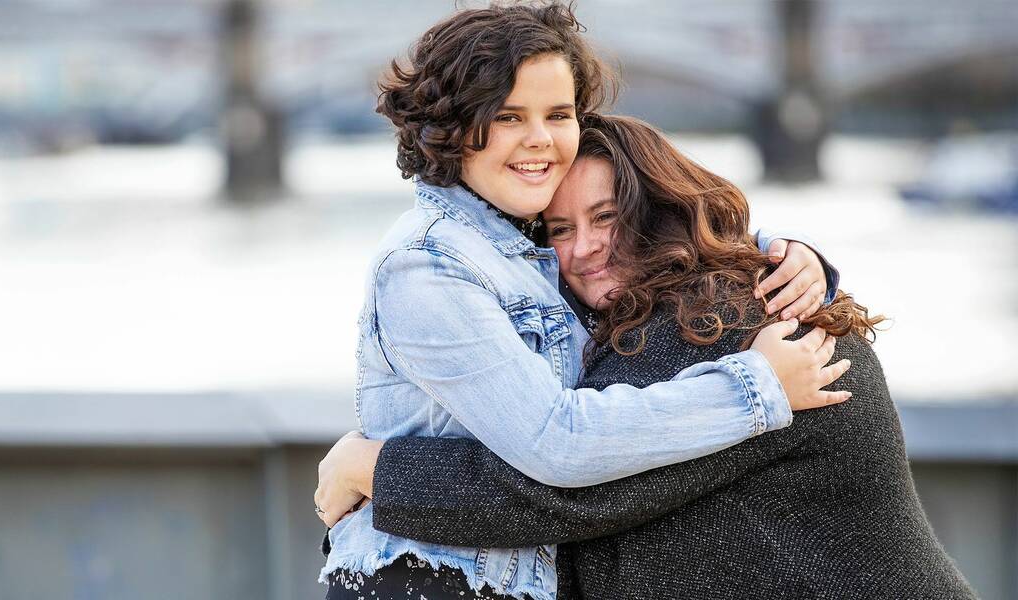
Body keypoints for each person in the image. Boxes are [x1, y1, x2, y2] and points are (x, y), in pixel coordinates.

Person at [316, 115, 977, 599]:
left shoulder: (723, 321)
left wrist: (372, 468)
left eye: (608, 218)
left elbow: (560, 495)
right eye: (561, 230)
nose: (583, 250)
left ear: (663, 212)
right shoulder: (676, 311)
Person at [319, 4, 848, 600]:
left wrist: (779, 252)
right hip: (430, 582)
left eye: (558, 114)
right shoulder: (430, 266)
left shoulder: (529, 241)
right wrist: (757, 387)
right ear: (450, 126)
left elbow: (654, 230)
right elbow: (557, 442)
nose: (540, 139)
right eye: (509, 116)